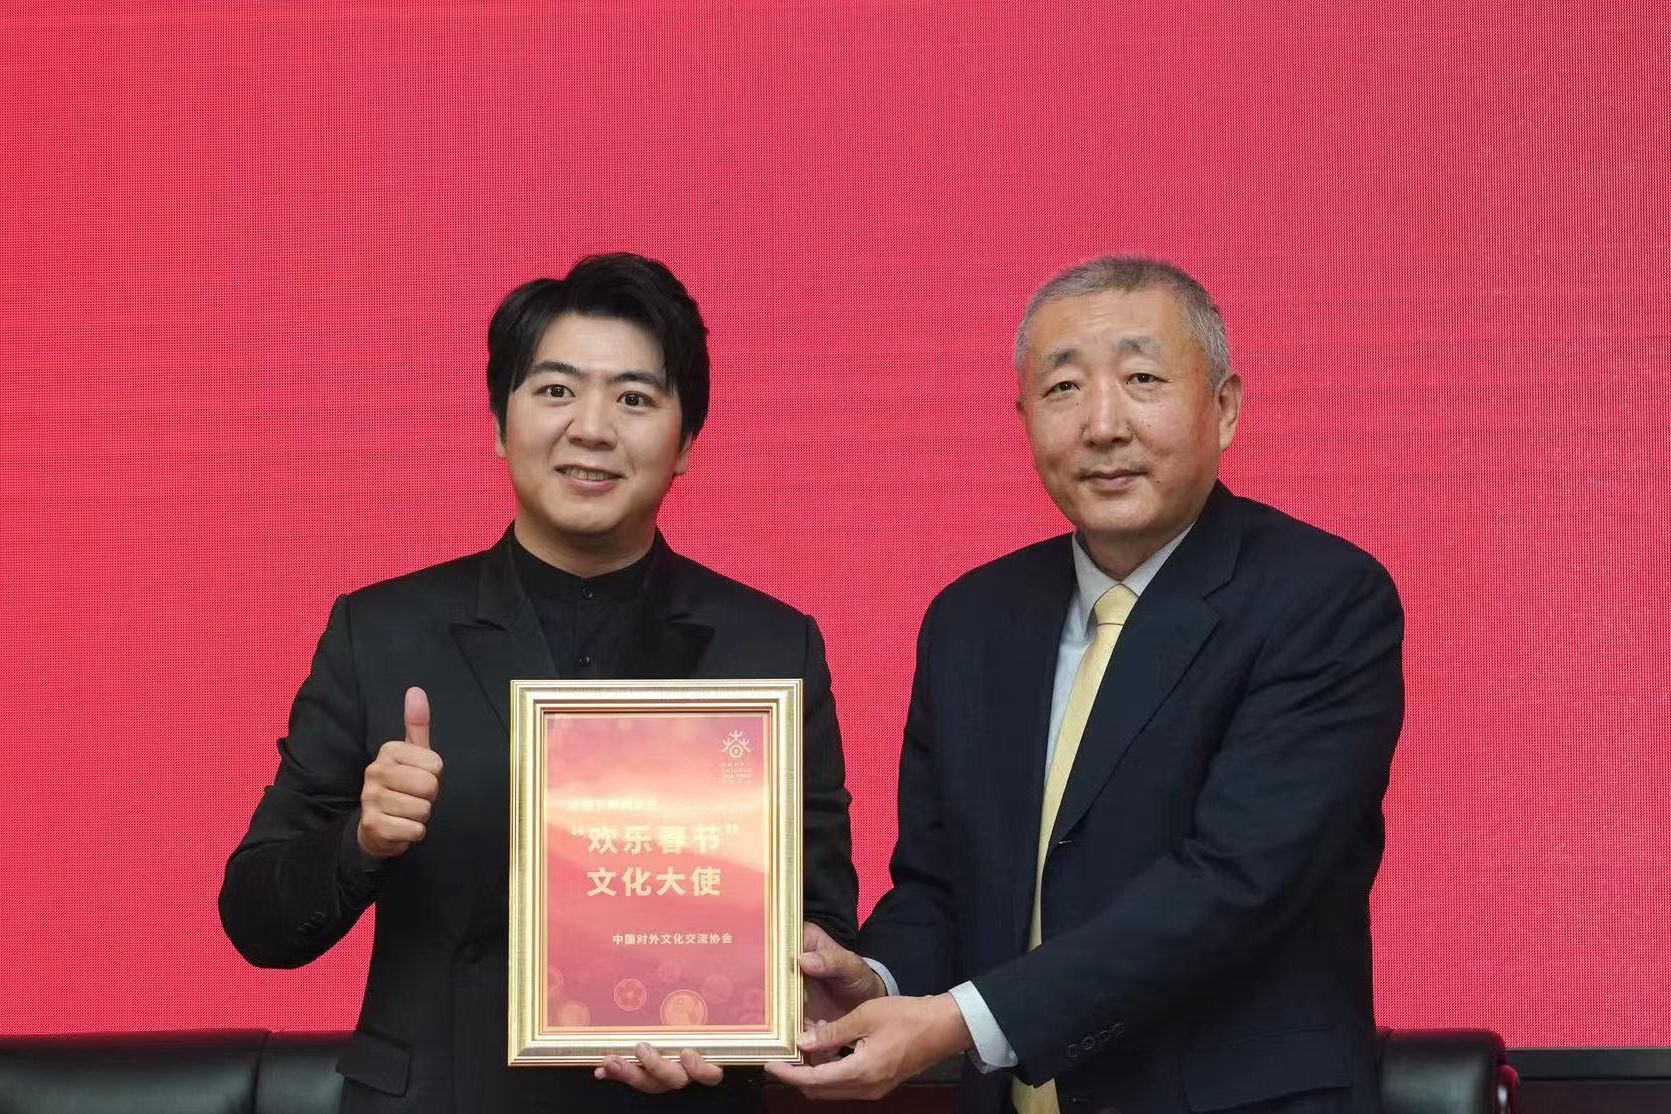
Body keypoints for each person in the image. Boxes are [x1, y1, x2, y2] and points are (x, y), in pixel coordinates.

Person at [219, 253, 860, 1113]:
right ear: (499, 423)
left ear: (685, 444)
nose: (591, 428)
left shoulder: (769, 647)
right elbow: (257, 922)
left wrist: (746, 1017)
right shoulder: (382, 632)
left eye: (634, 399)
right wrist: (362, 840)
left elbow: (821, 925)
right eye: (555, 390)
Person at [769, 257, 1404, 1114]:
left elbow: (1234, 882)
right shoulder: (971, 620)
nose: (1102, 425)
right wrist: (871, 980)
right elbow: (938, 883)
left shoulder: (1320, 597)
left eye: (1142, 379)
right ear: (1025, 418)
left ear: (1223, 408)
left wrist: (958, 1020)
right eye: (1063, 388)